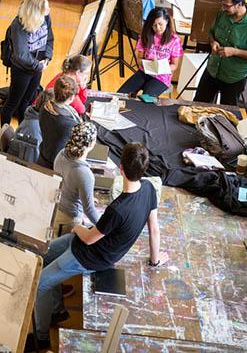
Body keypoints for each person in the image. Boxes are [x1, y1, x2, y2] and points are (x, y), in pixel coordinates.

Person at [24, 143, 168, 351]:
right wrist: (154, 261)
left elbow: (90, 238)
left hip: (88, 256)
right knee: (42, 253)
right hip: (88, 245)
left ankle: (42, 337)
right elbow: (154, 230)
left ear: (120, 168)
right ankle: (56, 310)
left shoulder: (117, 209)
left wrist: (76, 227)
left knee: (40, 284)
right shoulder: (148, 188)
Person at [193, 0, 247, 106]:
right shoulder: (222, 14)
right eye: (222, 4)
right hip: (212, 70)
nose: (222, 8)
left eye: (227, 6)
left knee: (226, 116)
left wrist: (235, 52)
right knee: (197, 106)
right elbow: (211, 33)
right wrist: (213, 42)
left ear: (240, 4)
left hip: (234, 78)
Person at [0, 0, 54, 127]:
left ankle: (21, 132)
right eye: (46, 9)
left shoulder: (46, 17)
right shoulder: (19, 24)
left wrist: (47, 58)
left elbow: (49, 40)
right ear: (36, 12)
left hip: (38, 67)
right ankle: (3, 133)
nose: (49, 10)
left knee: (28, 102)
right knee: (12, 103)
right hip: (22, 70)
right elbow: (21, 55)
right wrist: (39, 65)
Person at [117, 7, 183, 98]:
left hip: (162, 77)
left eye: (160, 24)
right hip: (144, 72)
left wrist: (161, 68)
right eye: (154, 25)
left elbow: (174, 65)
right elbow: (139, 59)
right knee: (120, 94)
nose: (157, 28)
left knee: (146, 99)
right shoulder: (146, 35)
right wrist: (145, 64)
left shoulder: (175, 40)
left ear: (167, 21)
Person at [53, 122, 101, 235]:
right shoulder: (84, 174)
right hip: (67, 219)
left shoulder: (61, 153)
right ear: (91, 144)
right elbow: (89, 210)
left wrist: (85, 195)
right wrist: (103, 228)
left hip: (57, 206)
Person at [38, 76, 81, 169]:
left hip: (43, 154)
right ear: (71, 97)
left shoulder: (45, 107)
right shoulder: (68, 122)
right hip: (56, 163)